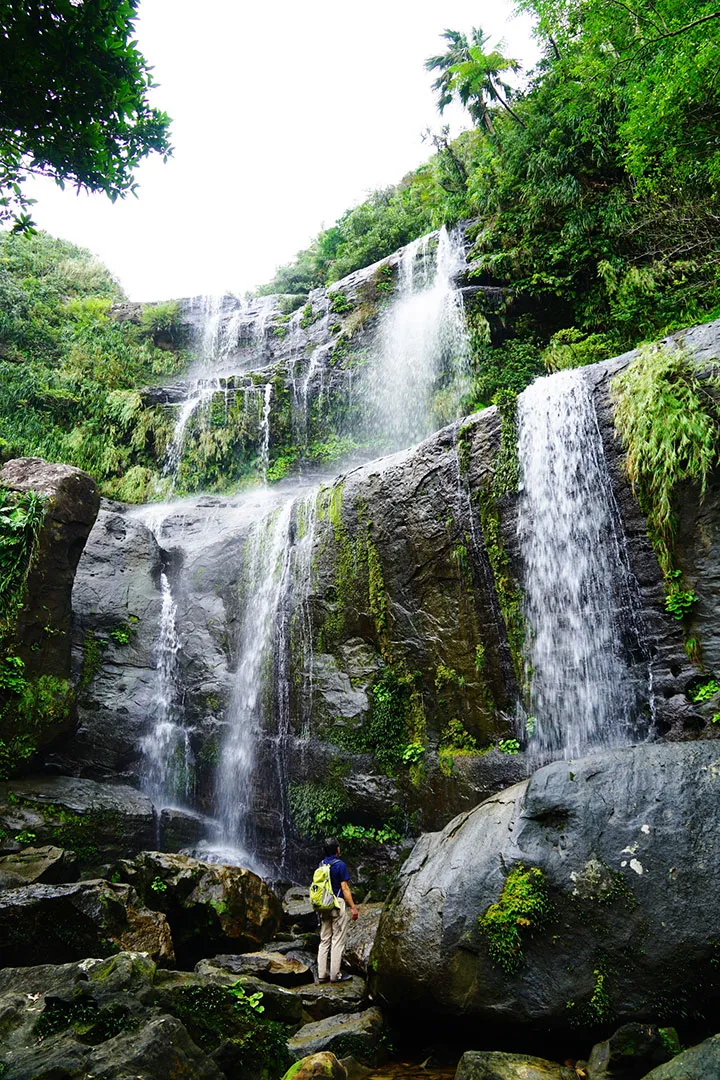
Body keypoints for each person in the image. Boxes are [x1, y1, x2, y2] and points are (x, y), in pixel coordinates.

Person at [316, 837, 359, 983]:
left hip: (323, 905)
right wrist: (353, 907)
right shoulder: (340, 865)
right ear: (337, 850)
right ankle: (335, 975)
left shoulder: (321, 865)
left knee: (324, 939)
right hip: (337, 903)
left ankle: (322, 975)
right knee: (337, 939)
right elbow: (345, 888)